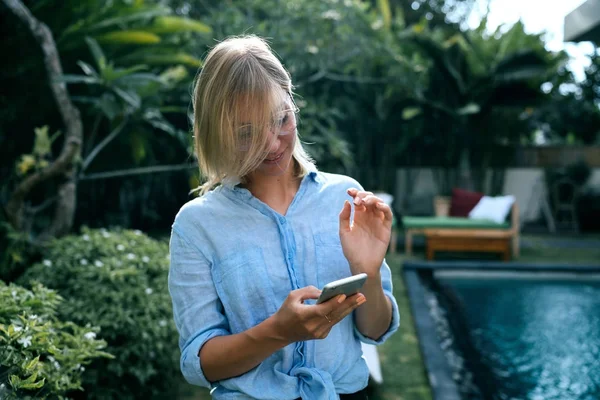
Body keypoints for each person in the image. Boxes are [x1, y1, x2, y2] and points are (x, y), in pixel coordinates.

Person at [168, 35, 400, 400]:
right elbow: (201, 363)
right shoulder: (197, 225)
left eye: (281, 120)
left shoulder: (345, 197)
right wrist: (278, 331)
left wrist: (369, 272)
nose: (273, 144)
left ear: (292, 103)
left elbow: (375, 331)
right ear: (218, 132)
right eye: (246, 133)